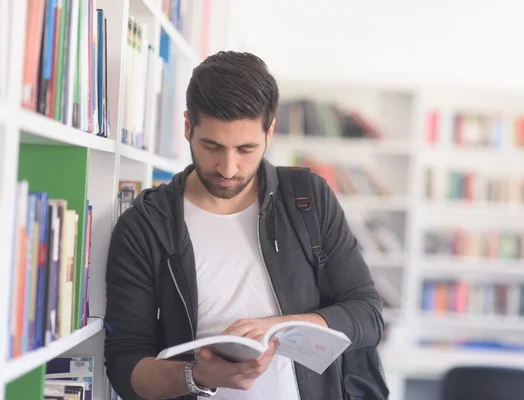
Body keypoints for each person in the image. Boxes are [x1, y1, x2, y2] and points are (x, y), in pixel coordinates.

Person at [104, 51, 385, 400]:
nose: (228, 168)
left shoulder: (307, 198)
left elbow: (368, 315)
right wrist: (196, 376)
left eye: (246, 149)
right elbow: (124, 364)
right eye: (212, 146)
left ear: (270, 131)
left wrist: (282, 326)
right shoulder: (145, 224)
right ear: (188, 126)